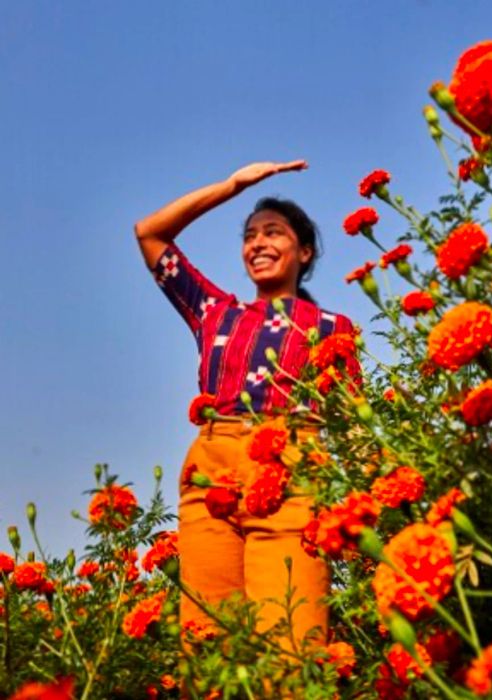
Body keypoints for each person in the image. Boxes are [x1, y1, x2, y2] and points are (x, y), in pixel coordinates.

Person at [134, 161, 356, 649]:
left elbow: (352, 421)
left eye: (273, 233)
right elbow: (150, 234)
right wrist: (233, 186)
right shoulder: (216, 312)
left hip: (291, 467)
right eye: (249, 235)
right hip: (212, 471)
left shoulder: (331, 327)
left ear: (304, 251)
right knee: (209, 640)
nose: (257, 244)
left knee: (293, 642)